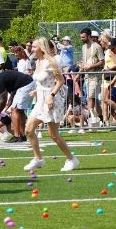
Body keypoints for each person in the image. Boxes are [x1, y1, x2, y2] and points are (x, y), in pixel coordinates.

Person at [23, 37, 79, 173]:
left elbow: (60, 81)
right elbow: (43, 80)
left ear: (42, 48)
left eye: (35, 46)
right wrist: (37, 91)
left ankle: (71, 159)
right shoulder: (38, 61)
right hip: (40, 99)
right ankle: (38, 159)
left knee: (53, 135)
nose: (32, 48)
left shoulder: (51, 62)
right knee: (28, 130)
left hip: (51, 100)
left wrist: (51, 95)